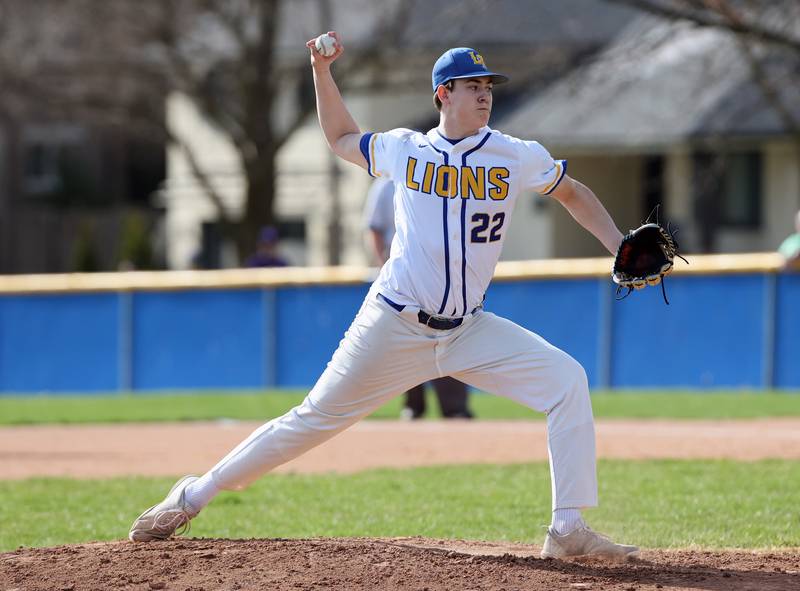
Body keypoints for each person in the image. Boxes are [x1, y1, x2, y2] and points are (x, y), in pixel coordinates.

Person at [129, 33, 639, 561]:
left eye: (488, 85)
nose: (485, 94)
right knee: (312, 420)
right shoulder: (406, 149)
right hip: (393, 323)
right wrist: (321, 72)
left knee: (566, 381)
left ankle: (568, 527)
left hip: (468, 329)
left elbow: (574, 193)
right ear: (443, 93)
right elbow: (341, 138)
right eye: (472, 85)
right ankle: (192, 495)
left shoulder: (514, 155)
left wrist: (619, 245)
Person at [364, 177, 473, 419]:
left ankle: (455, 407)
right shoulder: (386, 184)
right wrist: (385, 268)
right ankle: (413, 406)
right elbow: (375, 228)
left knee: (449, 337)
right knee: (406, 343)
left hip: (438, 277)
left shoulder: (441, 176)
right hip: (401, 280)